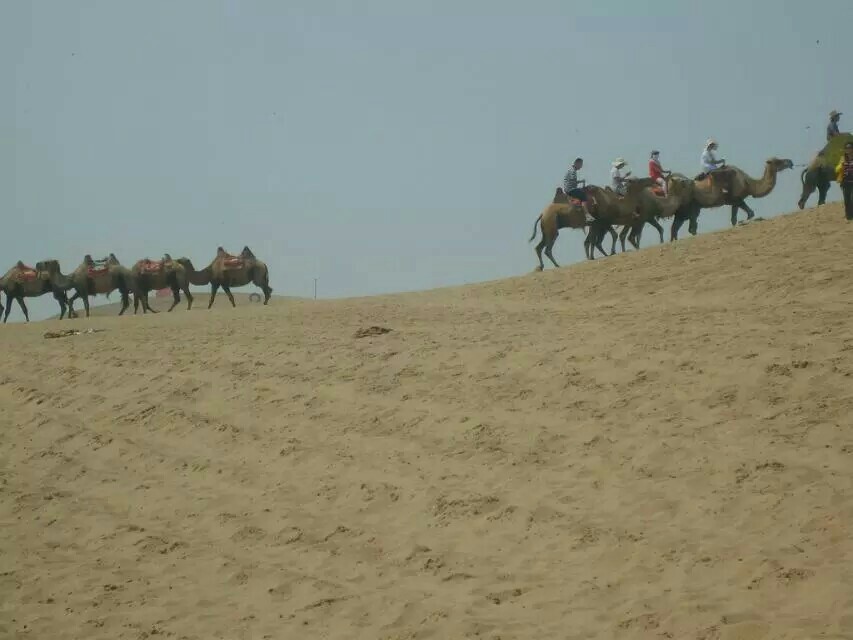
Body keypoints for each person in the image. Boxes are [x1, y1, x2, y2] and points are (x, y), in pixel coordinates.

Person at [835, 140, 853, 220]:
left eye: (849, 148)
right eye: (846, 148)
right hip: (845, 182)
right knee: (847, 200)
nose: (848, 149)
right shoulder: (843, 158)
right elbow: (836, 169)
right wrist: (841, 165)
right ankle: (848, 217)